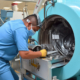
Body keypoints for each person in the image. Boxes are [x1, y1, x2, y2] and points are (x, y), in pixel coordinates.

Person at [0, 14, 47, 80]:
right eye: (34, 30)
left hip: (4, 60)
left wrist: (27, 49)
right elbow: (24, 54)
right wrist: (41, 53)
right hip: (1, 61)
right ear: (29, 23)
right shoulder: (21, 29)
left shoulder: (18, 23)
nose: (34, 32)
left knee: (16, 78)